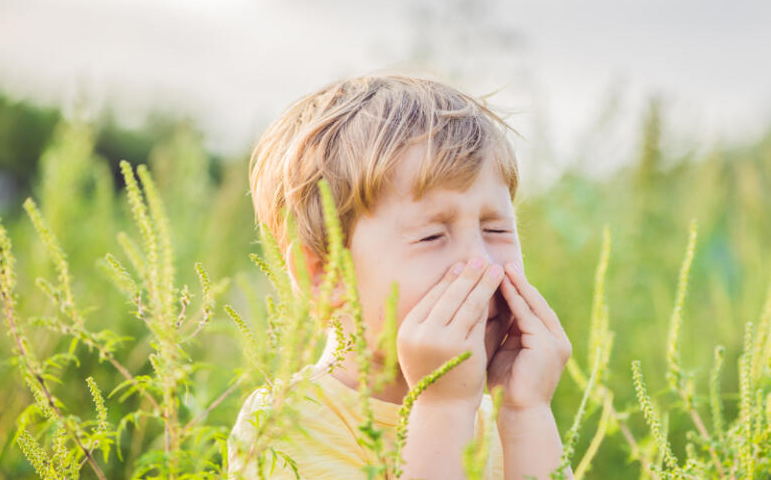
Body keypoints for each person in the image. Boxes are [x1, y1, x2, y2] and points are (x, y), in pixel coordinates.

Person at [228, 74, 573, 479]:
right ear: (326, 275)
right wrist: (441, 408)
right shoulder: (285, 425)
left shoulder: (502, 415)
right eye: (432, 235)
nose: (481, 263)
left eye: (495, 229)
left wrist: (524, 411)